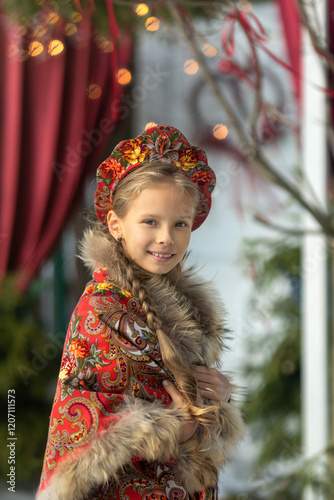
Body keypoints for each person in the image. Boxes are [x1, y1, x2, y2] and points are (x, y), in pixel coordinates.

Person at [37, 124, 244, 500]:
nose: (167, 237)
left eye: (180, 223)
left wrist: (221, 396)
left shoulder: (187, 312)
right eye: (150, 221)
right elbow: (78, 410)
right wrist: (166, 428)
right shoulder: (101, 308)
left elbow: (195, 398)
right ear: (117, 225)